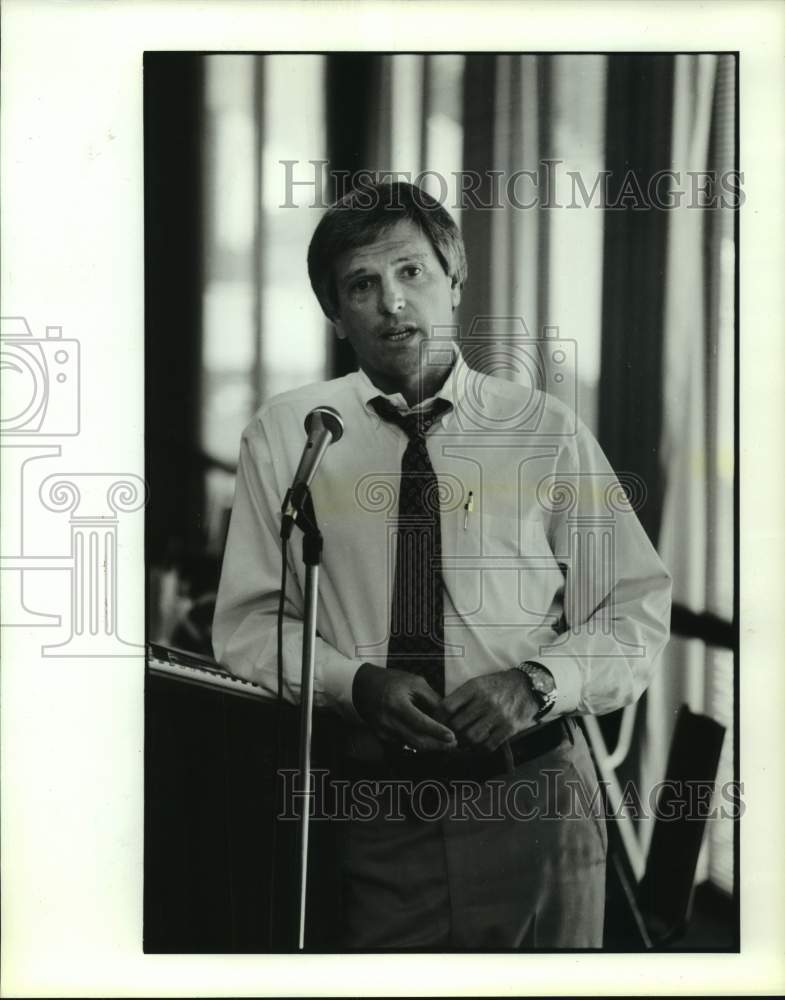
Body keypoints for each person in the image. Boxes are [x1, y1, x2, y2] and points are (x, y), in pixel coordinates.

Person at [212, 181, 672, 950]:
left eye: (410, 273)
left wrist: (534, 685)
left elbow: (632, 613)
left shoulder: (542, 432)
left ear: (453, 280)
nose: (392, 303)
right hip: (376, 810)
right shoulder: (293, 435)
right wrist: (353, 682)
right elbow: (249, 625)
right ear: (335, 314)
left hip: (536, 807)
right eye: (361, 285)